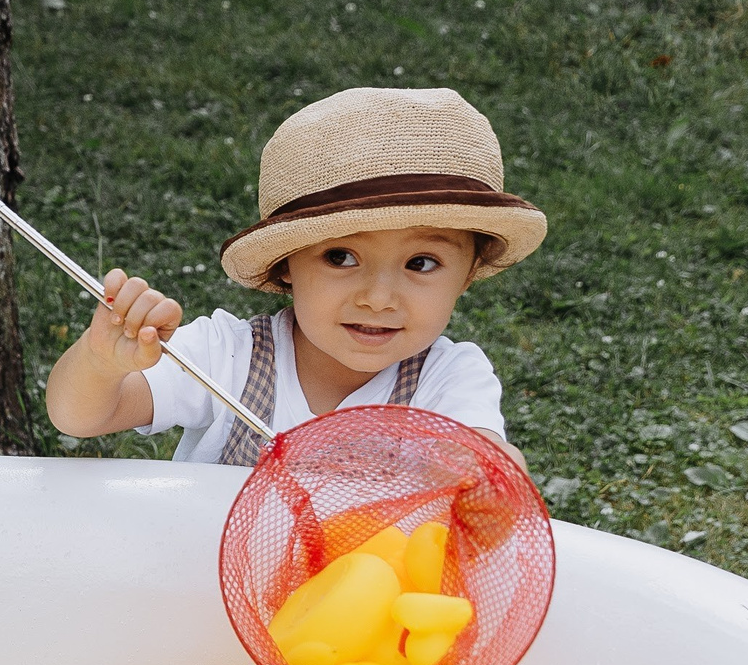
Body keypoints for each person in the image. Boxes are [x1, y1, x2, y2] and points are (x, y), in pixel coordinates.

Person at [44, 86, 544, 467]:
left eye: (422, 263)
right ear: (286, 264)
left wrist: (483, 470)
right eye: (341, 258)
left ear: (469, 273)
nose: (377, 297)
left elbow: (483, 460)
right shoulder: (231, 359)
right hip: (205, 596)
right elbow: (81, 417)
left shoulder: (446, 380)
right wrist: (101, 362)